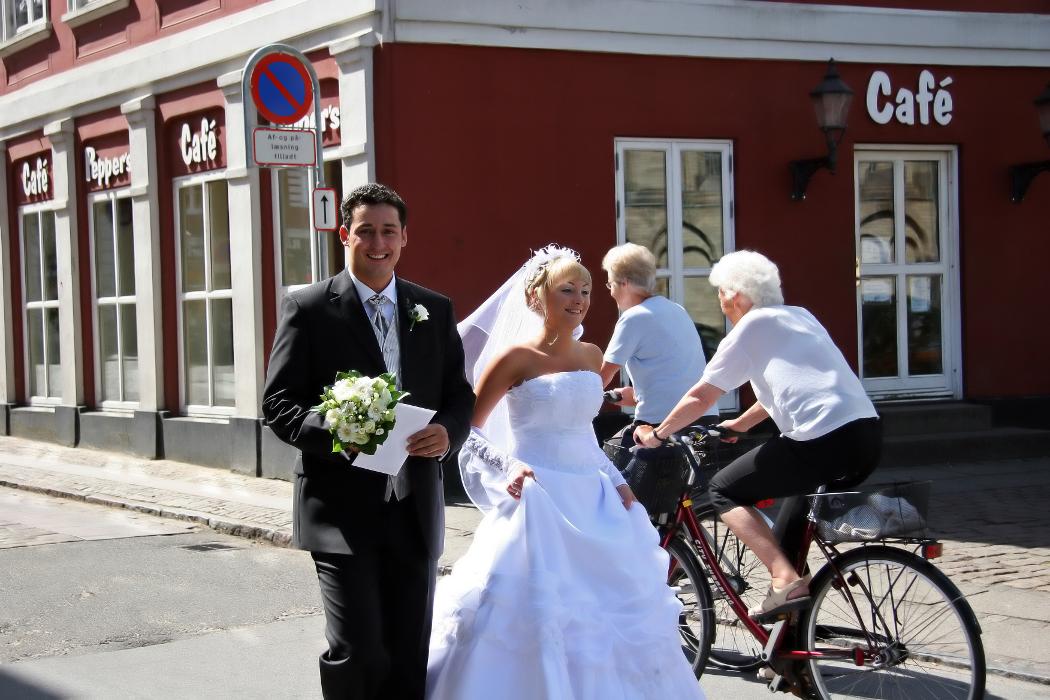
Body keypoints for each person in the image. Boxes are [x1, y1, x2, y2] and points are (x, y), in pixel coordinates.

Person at [426, 245, 705, 700]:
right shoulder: (515, 358)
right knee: (533, 616)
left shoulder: (592, 356)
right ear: (537, 297)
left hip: (593, 499)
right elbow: (470, 433)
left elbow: (584, 436)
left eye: (586, 290)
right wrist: (510, 465)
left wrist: (618, 483)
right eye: (566, 290)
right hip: (538, 501)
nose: (578, 299)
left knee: (609, 617)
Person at [262, 183, 475, 699]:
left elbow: (458, 395)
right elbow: (278, 405)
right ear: (345, 235)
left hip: (414, 507)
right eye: (365, 231)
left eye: (388, 231)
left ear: (404, 237)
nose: (377, 242)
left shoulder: (433, 308)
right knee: (358, 648)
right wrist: (340, 434)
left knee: (408, 651)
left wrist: (447, 431)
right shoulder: (310, 308)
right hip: (340, 511)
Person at [634, 250, 881, 620]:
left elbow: (702, 395)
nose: (720, 303)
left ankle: (784, 579)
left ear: (736, 295)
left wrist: (659, 432)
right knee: (786, 541)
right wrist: (740, 425)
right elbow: (781, 390)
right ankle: (791, 652)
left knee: (722, 490)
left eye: (720, 293)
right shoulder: (801, 317)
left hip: (822, 438)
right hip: (866, 435)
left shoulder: (752, 326)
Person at [600, 242, 719, 430]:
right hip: (706, 418)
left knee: (609, 456)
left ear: (624, 284)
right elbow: (675, 375)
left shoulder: (633, 317)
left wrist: (573, 399)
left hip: (662, 423)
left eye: (610, 284)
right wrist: (638, 394)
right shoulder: (678, 310)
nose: (611, 292)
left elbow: (603, 376)